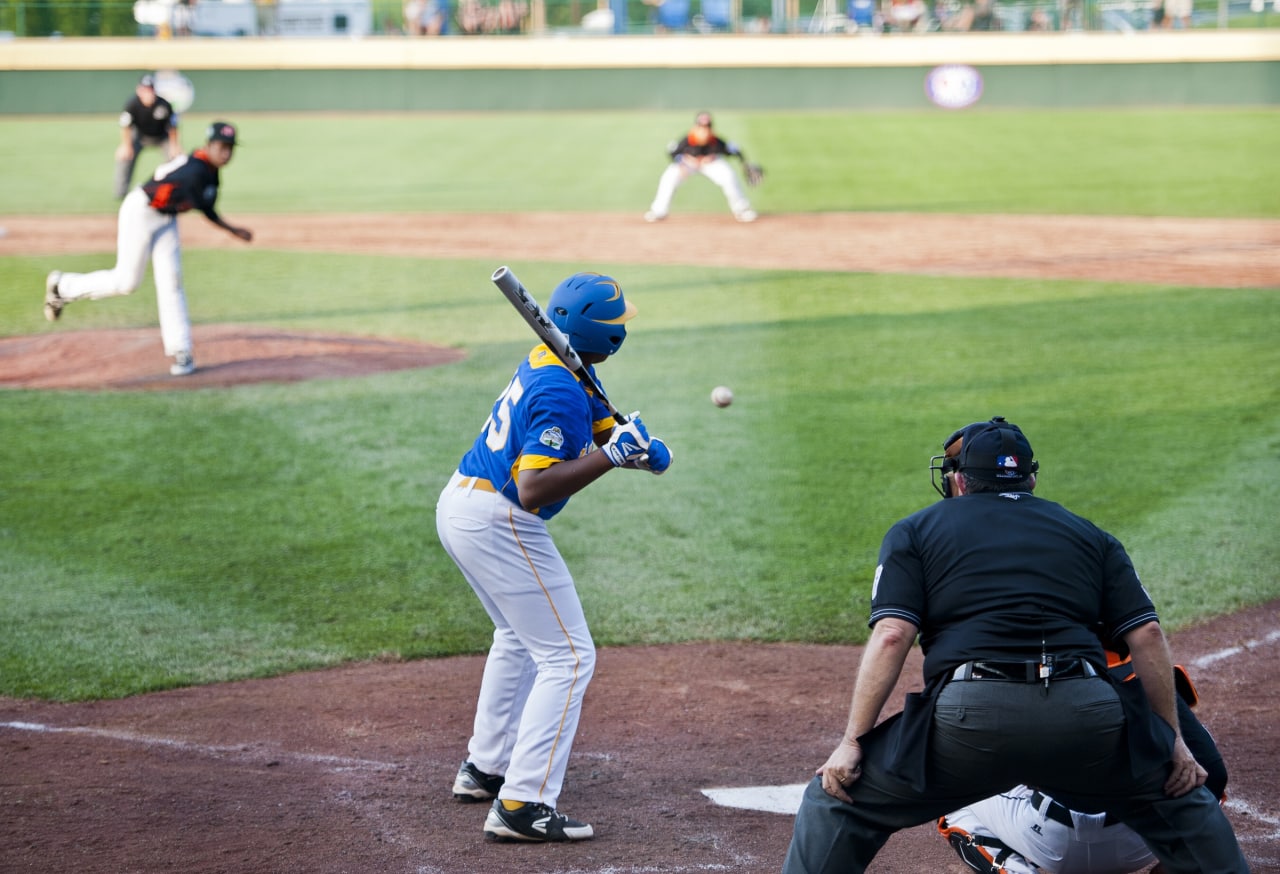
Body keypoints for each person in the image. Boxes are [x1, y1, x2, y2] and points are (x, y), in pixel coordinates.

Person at [780, 416, 1250, 874]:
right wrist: (1173, 744)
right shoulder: (1090, 535)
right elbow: (1146, 634)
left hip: (969, 721)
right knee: (1184, 801)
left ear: (959, 482)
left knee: (836, 800)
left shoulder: (916, 530)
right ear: (1031, 478)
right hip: (1088, 717)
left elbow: (891, 634)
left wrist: (850, 743)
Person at [437, 272, 672, 843]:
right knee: (568, 658)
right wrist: (614, 456)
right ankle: (523, 803)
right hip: (501, 518)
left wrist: (638, 450)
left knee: (517, 638)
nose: (623, 330)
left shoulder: (559, 363)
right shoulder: (560, 388)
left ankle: (485, 768)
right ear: (604, 335)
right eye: (618, 324)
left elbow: (597, 424)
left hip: (462, 507)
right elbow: (534, 488)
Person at [937, 653, 1230, 874]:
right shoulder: (1141, 663)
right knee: (1195, 777)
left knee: (950, 781)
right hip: (1142, 841)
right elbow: (1214, 774)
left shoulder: (1015, 662)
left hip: (1051, 844)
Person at [44, 121, 253, 377]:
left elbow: (202, 203)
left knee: (171, 281)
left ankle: (181, 350)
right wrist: (233, 230)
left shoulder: (209, 169)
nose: (227, 153)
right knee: (126, 282)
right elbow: (204, 207)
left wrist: (232, 230)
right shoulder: (196, 170)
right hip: (142, 211)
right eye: (222, 146)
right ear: (209, 145)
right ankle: (63, 286)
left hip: (167, 218)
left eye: (231, 148)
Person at [644, 111, 759, 224]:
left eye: (707, 127)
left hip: (711, 163)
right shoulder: (687, 139)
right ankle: (658, 210)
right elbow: (671, 152)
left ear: (711, 128)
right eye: (701, 126)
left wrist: (744, 163)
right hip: (688, 163)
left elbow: (735, 150)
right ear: (695, 126)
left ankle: (742, 209)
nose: (704, 129)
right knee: (669, 177)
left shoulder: (716, 140)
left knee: (728, 176)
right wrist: (681, 163)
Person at [114, 73, 182, 200]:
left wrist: (174, 145)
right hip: (140, 136)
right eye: (144, 90)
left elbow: (173, 126)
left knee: (176, 159)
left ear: (154, 90)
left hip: (162, 137)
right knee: (124, 156)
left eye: (150, 90)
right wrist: (125, 145)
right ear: (139, 90)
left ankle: (174, 190)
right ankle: (120, 192)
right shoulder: (132, 104)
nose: (148, 93)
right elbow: (125, 126)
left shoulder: (164, 105)